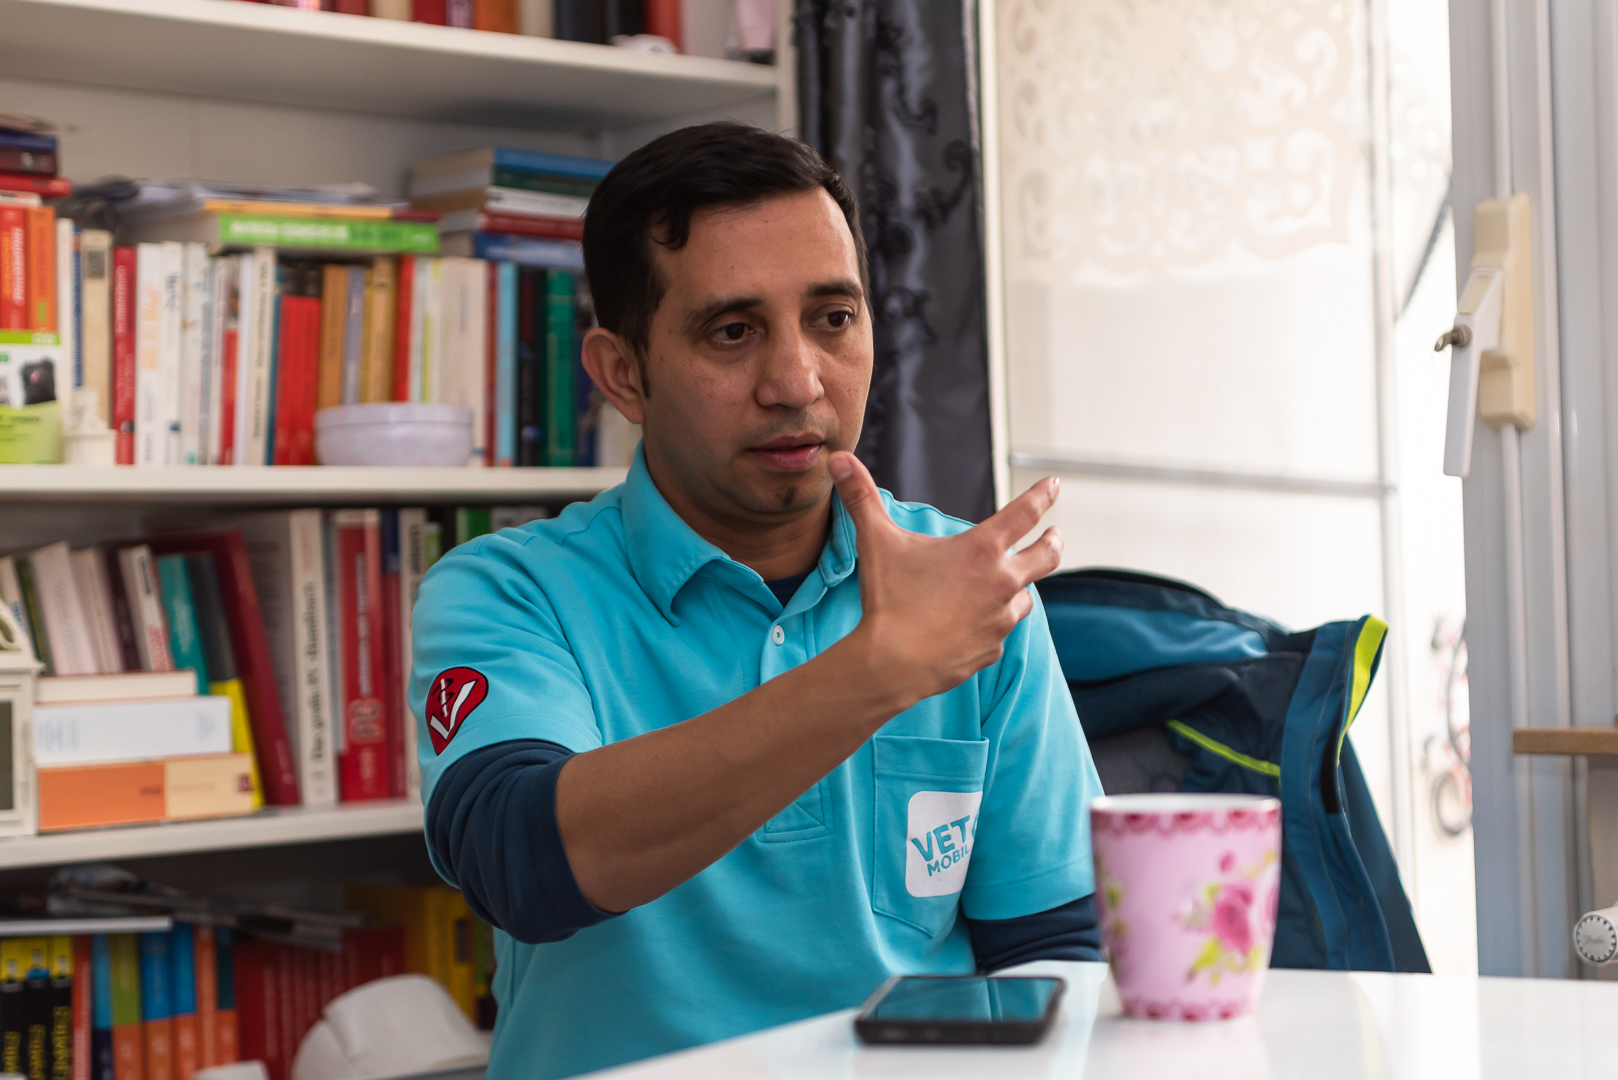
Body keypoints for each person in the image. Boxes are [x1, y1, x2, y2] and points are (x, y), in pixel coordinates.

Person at [412, 122, 1105, 1080]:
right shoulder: (508, 589)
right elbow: (521, 862)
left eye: (834, 317)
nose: (796, 382)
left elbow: (1056, 943)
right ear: (622, 374)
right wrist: (879, 670)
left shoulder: (965, 585)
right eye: (732, 332)